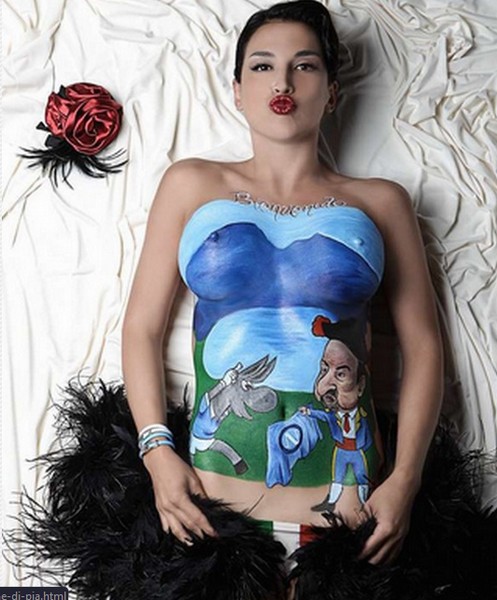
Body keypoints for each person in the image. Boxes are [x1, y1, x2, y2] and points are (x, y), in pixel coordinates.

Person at [122, 0, 442, 587]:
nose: (283, 83)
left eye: (306, 65)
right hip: (210, 515)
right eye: (263, 66)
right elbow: (141, 328)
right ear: (237, 90)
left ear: (333, 92)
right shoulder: (192, 184)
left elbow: (423, 348)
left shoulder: (380, 201)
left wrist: (406, 480)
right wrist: (156, 453)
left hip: (353, 523)